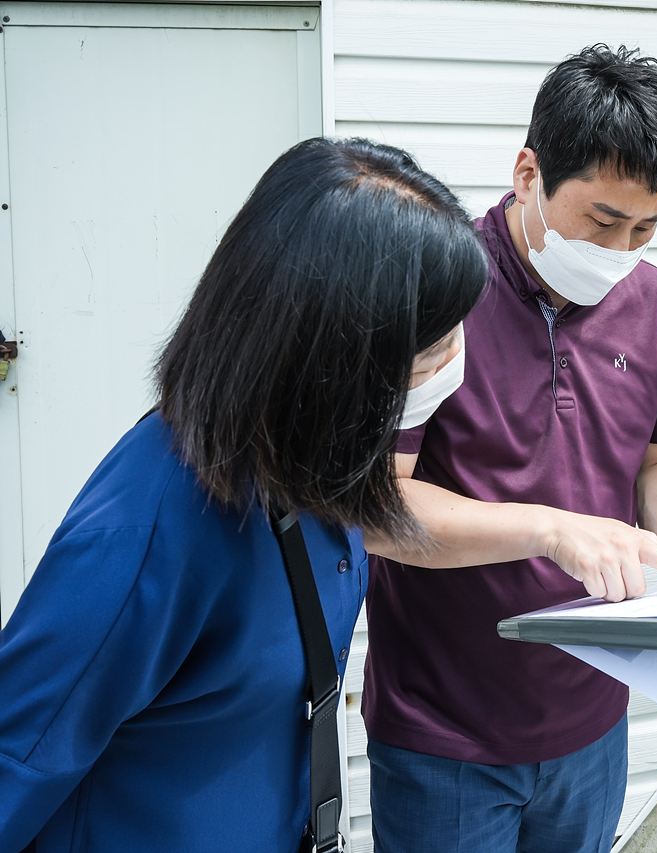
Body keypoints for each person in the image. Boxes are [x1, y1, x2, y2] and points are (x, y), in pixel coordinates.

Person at [0, 137, 488, 853]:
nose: (456, 364)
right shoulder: (153, 523)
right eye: (435, 345)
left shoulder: (317, 469)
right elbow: (18, 753)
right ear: (344, 353)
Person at [359, 44, 657, 853]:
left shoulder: (656, 300)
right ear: (528, 172)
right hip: (444, 730)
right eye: (601, 220)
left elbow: (656, 460)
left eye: (648, 226)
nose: (622, 250)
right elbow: (379, 509)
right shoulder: (438, 286)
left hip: (594, 717)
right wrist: (550, 527)